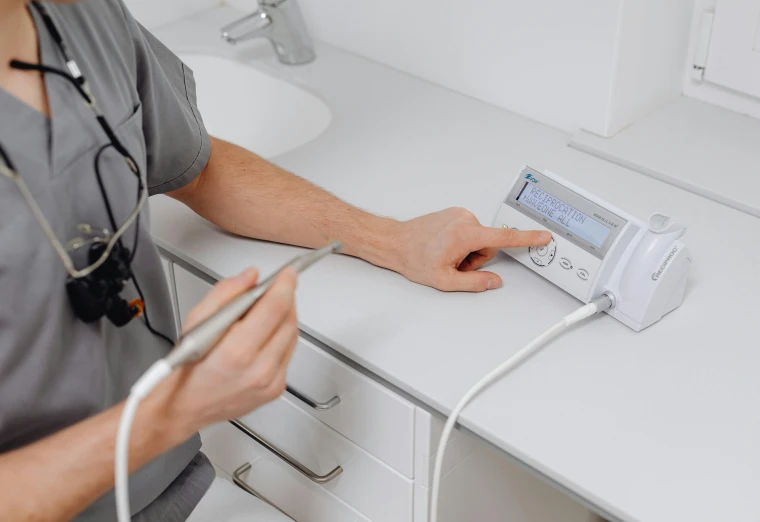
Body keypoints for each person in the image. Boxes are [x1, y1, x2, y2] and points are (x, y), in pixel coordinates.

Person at [0, 0, 552, 520]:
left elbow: (196, 166)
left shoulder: (83, 19)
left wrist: (390, 240)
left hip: (164, 494)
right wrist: (176, 408)